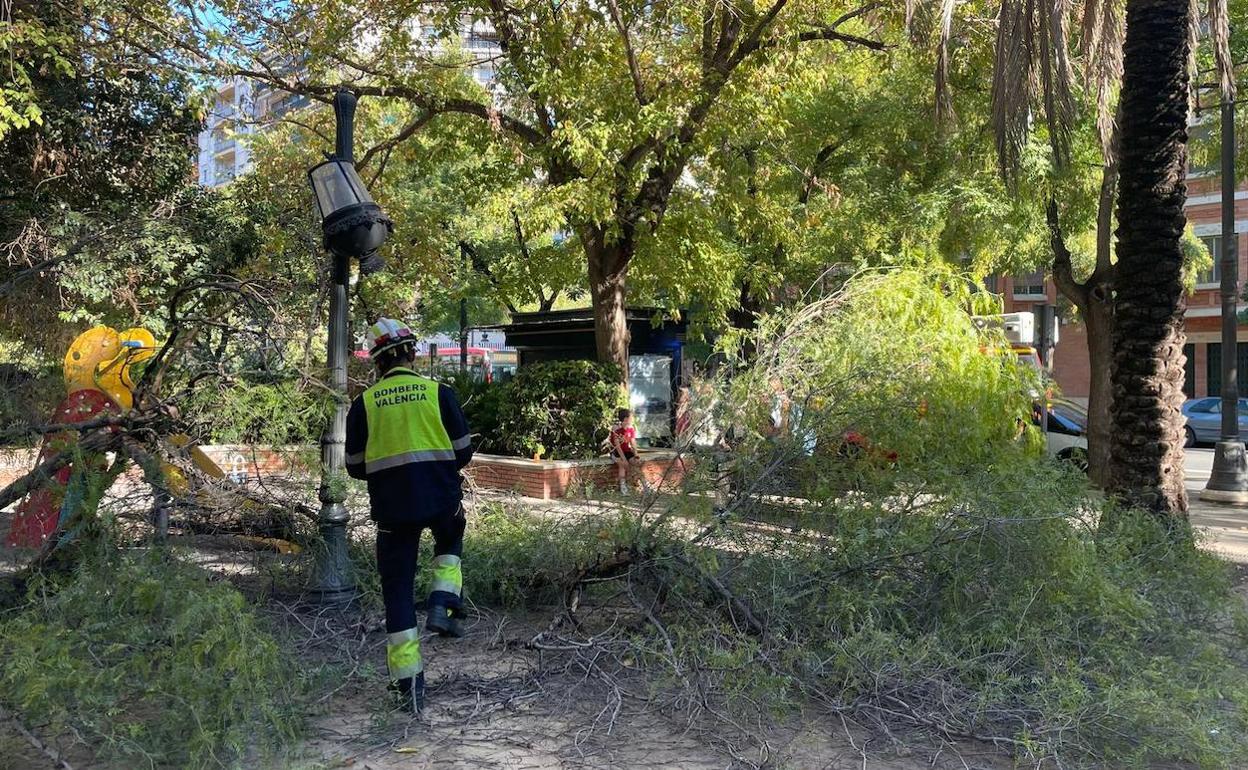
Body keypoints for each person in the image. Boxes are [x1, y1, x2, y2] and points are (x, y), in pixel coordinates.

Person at [345, 318, 474, 713]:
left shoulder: (363, 405)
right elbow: (463, 451)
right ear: (413, 354)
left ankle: (409, 687)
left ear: (377, 363)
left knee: (397, 594)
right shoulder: (440, 393)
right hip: (441, 500)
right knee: (451, 535)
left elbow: (354, 465)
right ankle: (442, 601)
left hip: (392, 511)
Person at [608, 407, 640, 494]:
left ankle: (641, 483)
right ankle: (623, 486)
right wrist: (624, 460)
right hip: (616, 452)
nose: (632, 419)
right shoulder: (616, 429)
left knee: (636, 462)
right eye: (631, 417)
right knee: (622, 464)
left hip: (626, 451)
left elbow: (633, 441)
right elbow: (617, 446)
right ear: (626, 419)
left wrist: (636, 453)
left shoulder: (631, 429)